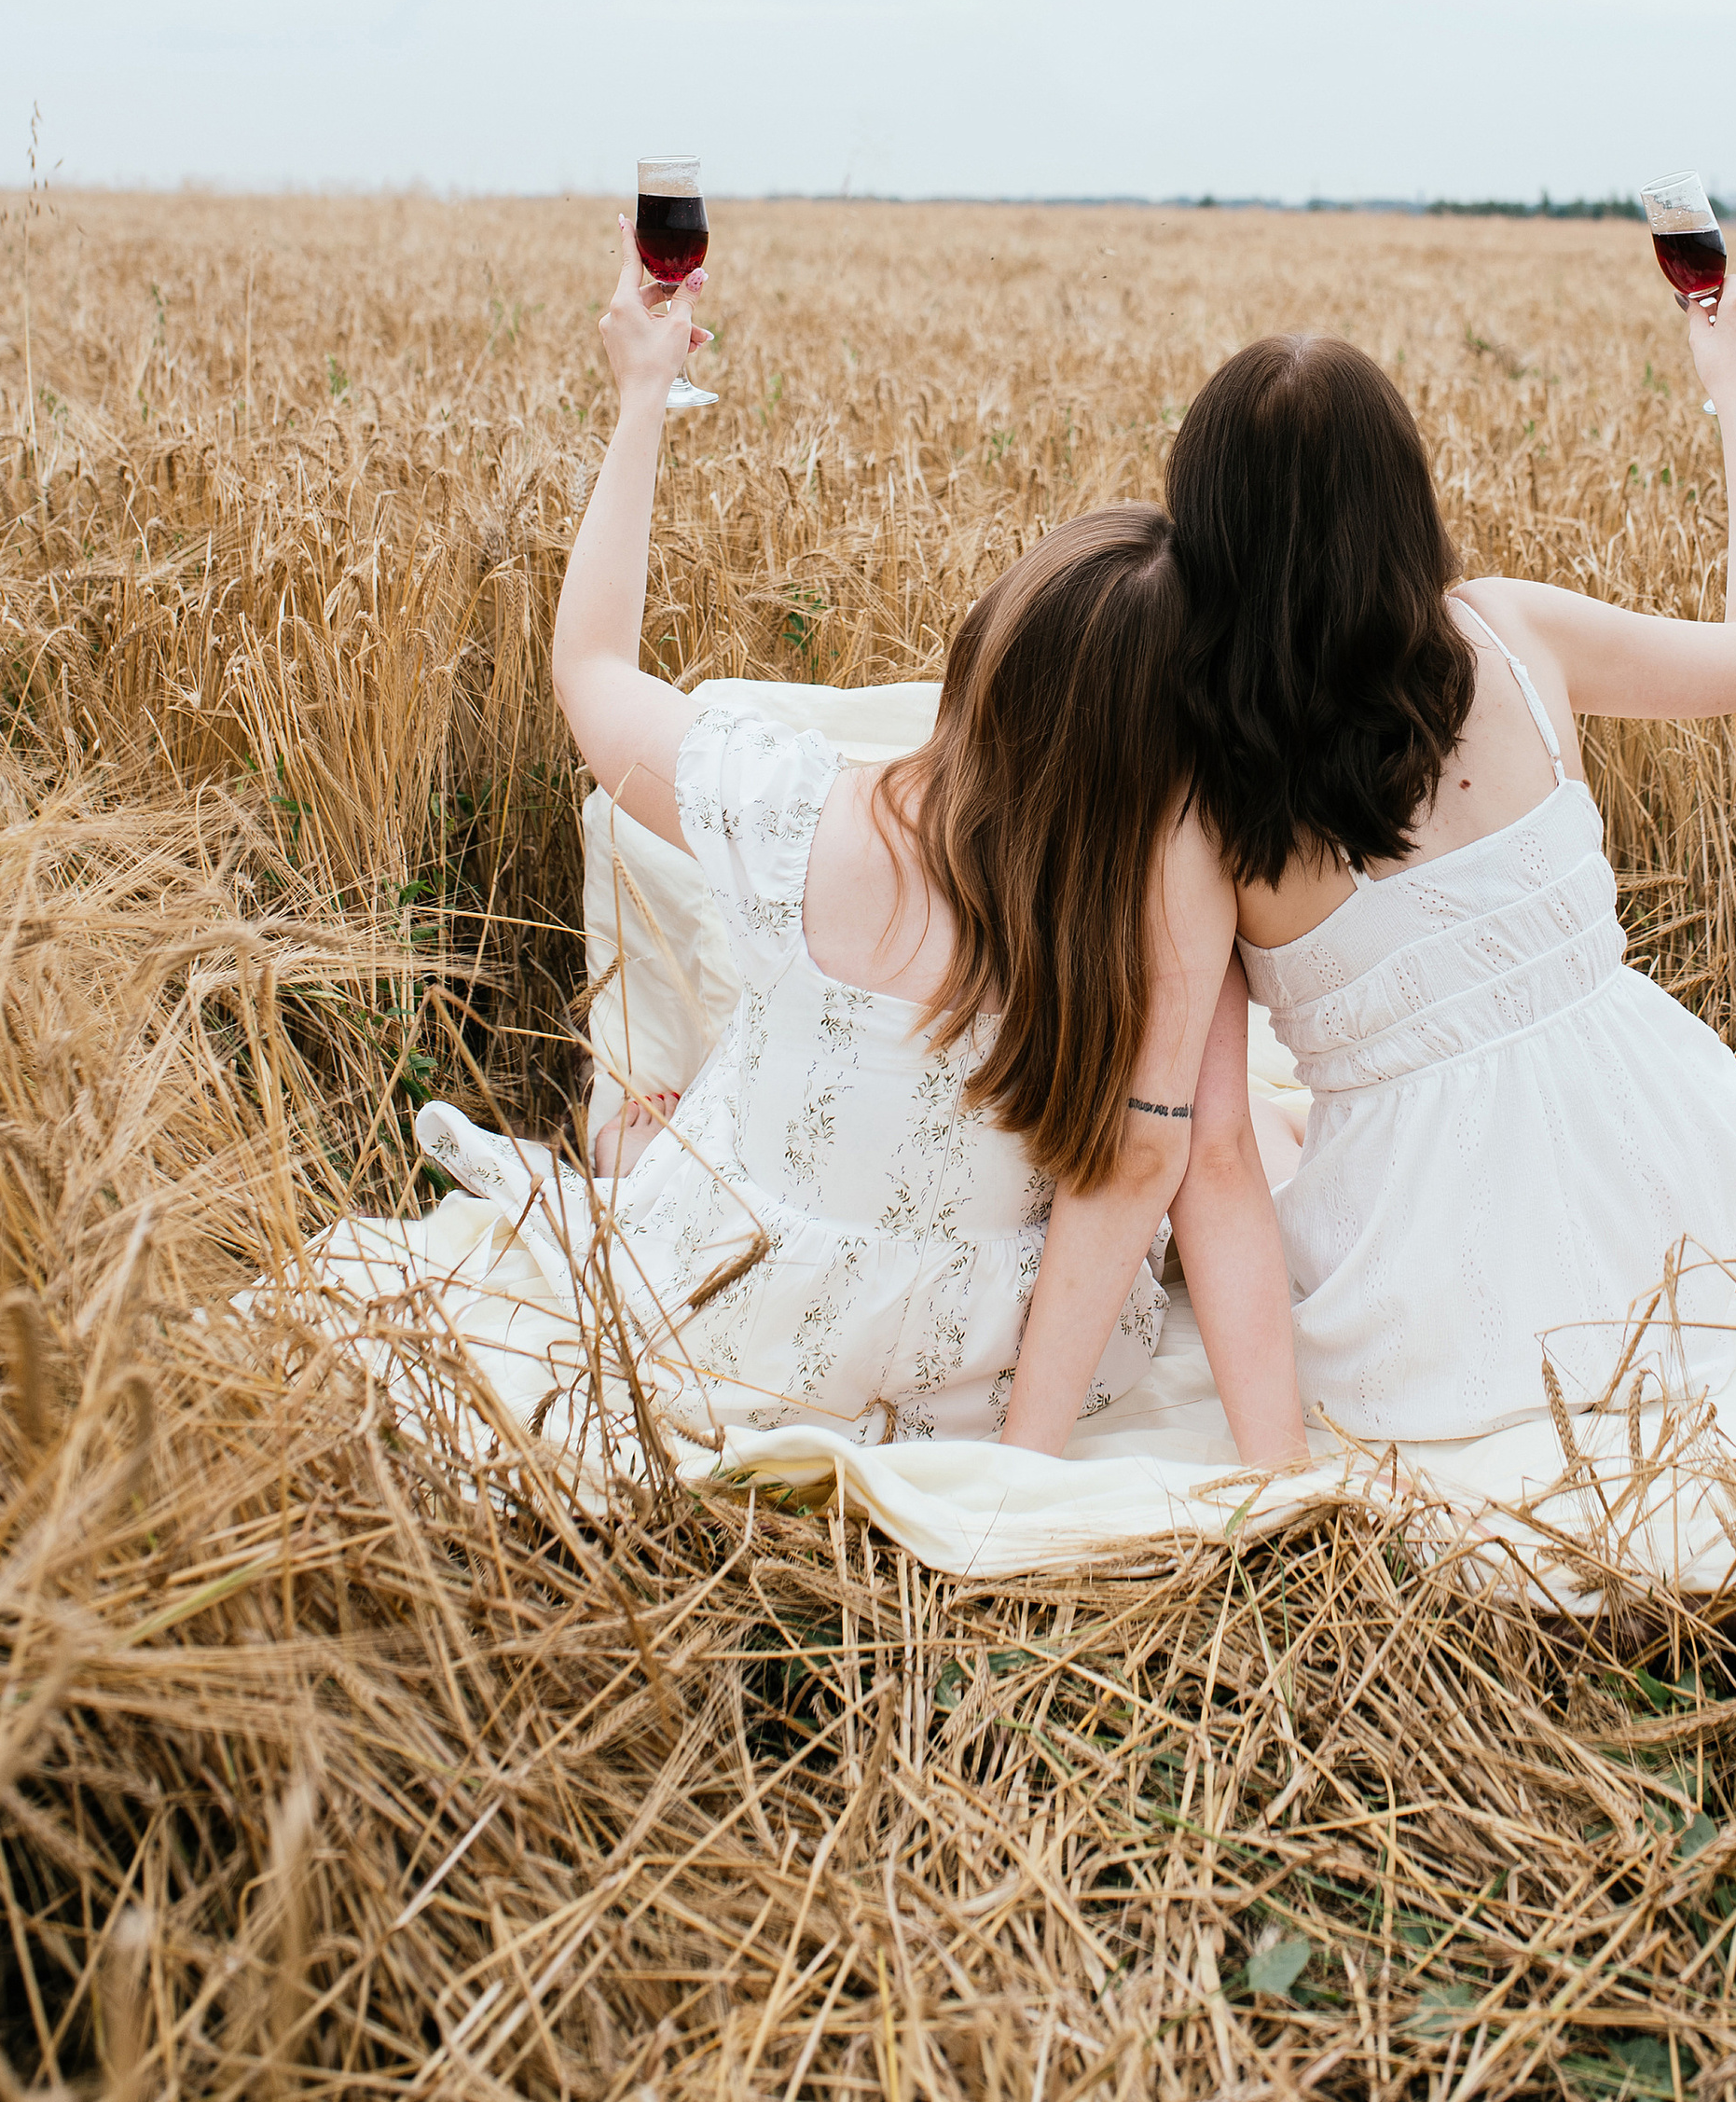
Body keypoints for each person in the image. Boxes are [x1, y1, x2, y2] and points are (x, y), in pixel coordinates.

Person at [467, 225, 1306, 1464]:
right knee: (1255, 1126)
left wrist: (645, 394)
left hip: (724, 1304)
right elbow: (1145, 1174)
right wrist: (1026, 1470)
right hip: (967, 1371)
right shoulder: (1150, 908)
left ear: (981, 663)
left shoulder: (799, 802)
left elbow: (589, 667)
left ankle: (647, 1142)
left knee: (700, 1113)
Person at [1164, 273, 1736, 1444]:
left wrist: (1275, 1471)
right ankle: (1726, 1261)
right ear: (1408, 502)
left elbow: (1206, 1154)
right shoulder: (1511, 633)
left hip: (1427, 1266)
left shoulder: (1216, 786)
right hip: (1650, 1141)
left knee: (1262, 1118)